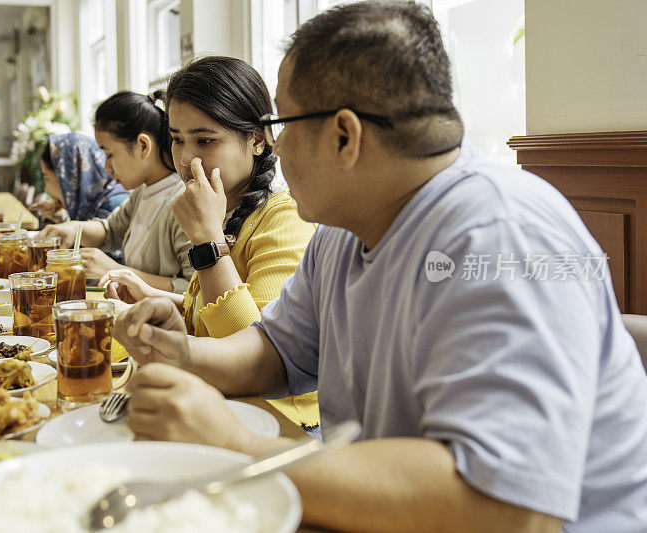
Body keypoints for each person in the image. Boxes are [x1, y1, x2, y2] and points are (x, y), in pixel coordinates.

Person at [111, 2, 647, 532]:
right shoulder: (347, 225)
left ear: (345, 136)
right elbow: (274, 350)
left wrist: (237, 445)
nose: (275, 145)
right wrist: (182, 351)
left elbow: (507, 510)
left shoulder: (502, 237)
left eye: (282, 123)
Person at [99, 56, 320, 431]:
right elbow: (209, 320)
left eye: (205, 140)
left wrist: (207, 242)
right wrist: (163, 301)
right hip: (218, 406)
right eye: (177, 139)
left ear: (256, 139)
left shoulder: (285, 218)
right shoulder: (223, 210)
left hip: (281, 425)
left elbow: (255, 357)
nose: (185, 159)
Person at [39, 92, 193, 291]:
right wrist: (73, 228)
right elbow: (111, 230)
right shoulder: (143, 192)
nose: (106, 167)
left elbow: (193, 289)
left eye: (109, 154)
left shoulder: (185, 203)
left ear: (142, 146)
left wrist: (116, 270)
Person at [31, 131, 129, 224]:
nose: (46, 189)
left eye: (47, 178)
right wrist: (60, 219)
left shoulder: (113, 206)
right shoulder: (90, 205)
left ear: (67, 177)